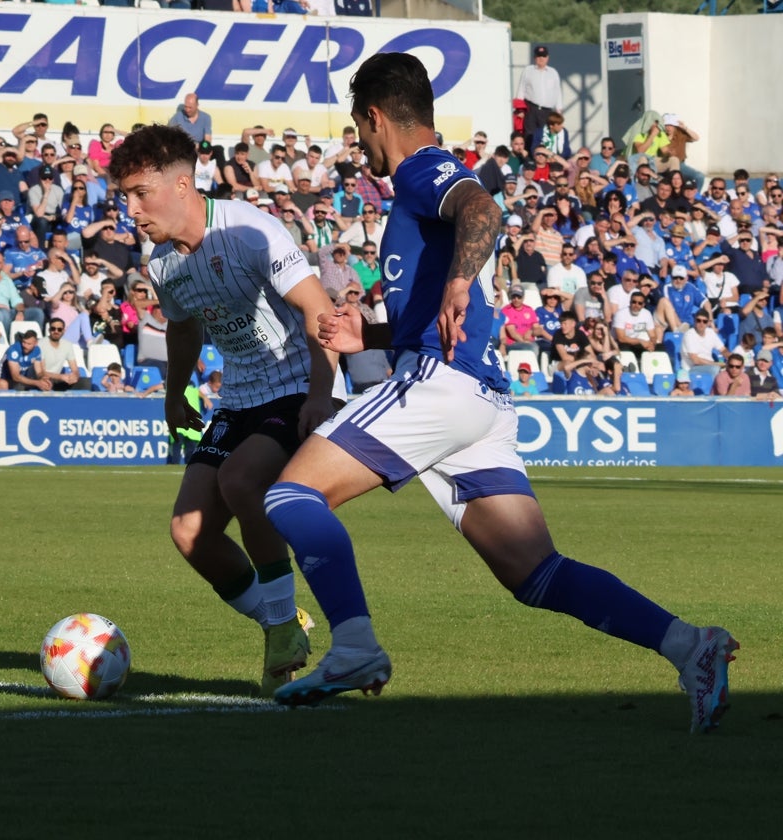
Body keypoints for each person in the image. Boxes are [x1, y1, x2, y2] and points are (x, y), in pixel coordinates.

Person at [257, 53, 735, 734]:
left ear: (373, 116)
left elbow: (481, 205)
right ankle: (693, 646)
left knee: (290, 495)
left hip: (441, 386)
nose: (357, 143)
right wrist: (369, 333)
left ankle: (355, 646)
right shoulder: (416, 194)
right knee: (534, 572)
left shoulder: (423, 169)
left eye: (356, 128)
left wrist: (455, 285)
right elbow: (439, 304)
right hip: (477, 397)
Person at [109, 124, 338, 698]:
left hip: (295, 386)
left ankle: (283, 627)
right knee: (189, 531)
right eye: (124, 196)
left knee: (242, 479)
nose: (130, 209)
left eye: (140, 193)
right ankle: (282, 623)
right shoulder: (161, 262)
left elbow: (319, 309)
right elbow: (183, 328)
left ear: (183, 185)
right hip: (238, 397)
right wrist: (174, 392)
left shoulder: (250, 231)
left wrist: (320, 392)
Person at [516, 46, 562, 152]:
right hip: (531, 108)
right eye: (539, 56)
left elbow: (558, 91)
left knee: (546, 135)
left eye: (543, 56)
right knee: (529, 135)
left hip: (547, 111)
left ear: (547, 58)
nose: (541, 58)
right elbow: (521, 90)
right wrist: (520, 109)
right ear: (535, 57)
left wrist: (559, 109)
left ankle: (545, 160)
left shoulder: (553, 72)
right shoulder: (528, 70)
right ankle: (529, 159)